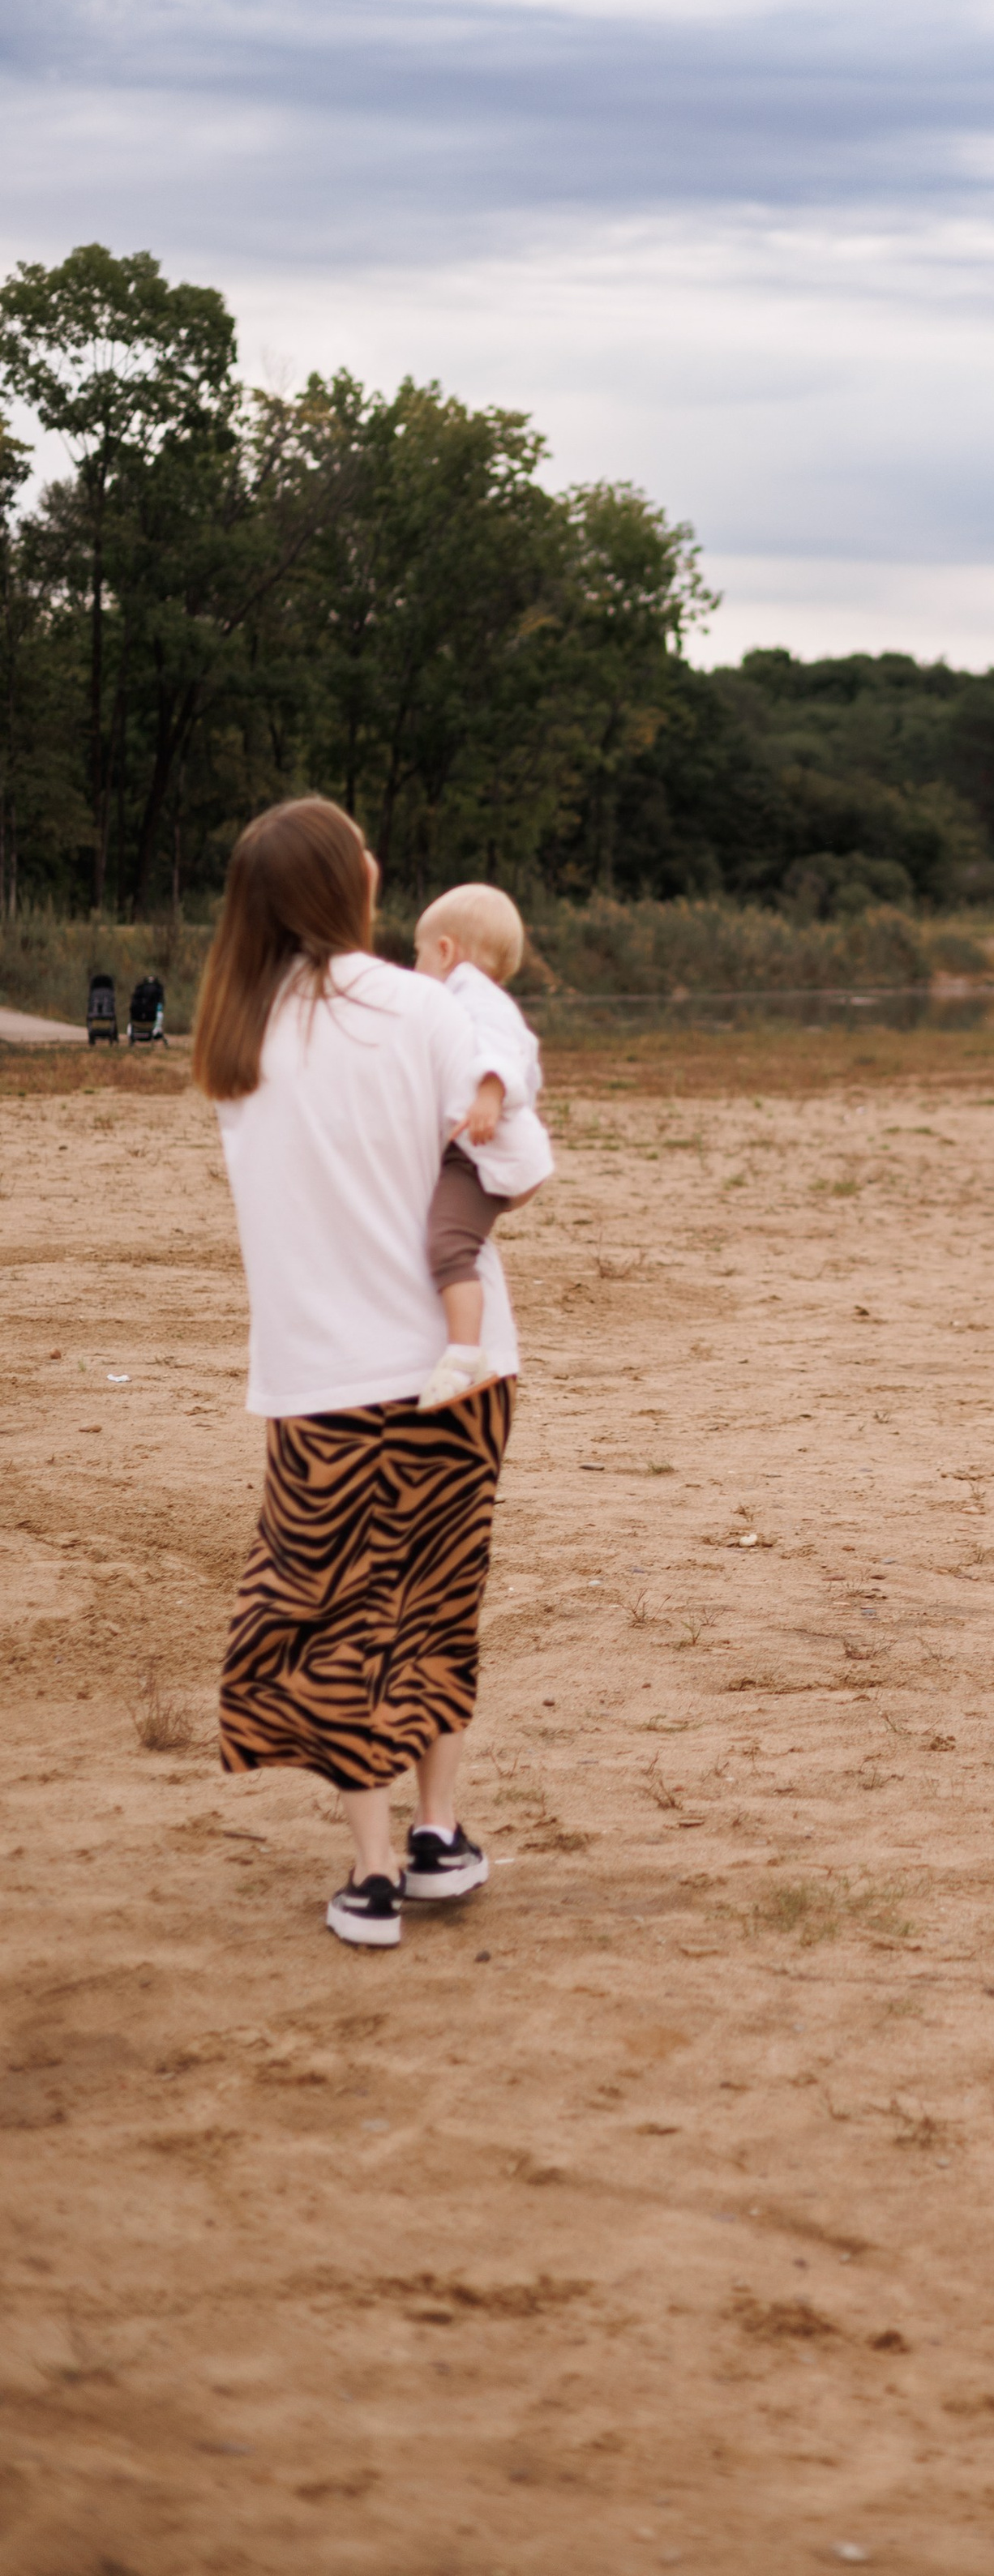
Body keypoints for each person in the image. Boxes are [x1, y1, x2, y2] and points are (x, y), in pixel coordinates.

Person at [191, 796, 520, 1949]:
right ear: (349, 886)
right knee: (436, 1601)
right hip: (454, 1366)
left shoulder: (234, 1037)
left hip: (318, 1377)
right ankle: (442, 1836)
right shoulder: (428, 1010)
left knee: (336, 1615)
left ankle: (374, 1871)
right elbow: (514, 1156)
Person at [411, 882, 555, 1410]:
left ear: (446, 951)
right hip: (490, 1147)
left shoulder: (474, 996)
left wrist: (490, 1095)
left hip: (485, 1152)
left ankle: (464, 1354)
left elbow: (502, 1055)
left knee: (447, 1243)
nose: (416, 965)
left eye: (418, 954)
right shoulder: (487, 998)